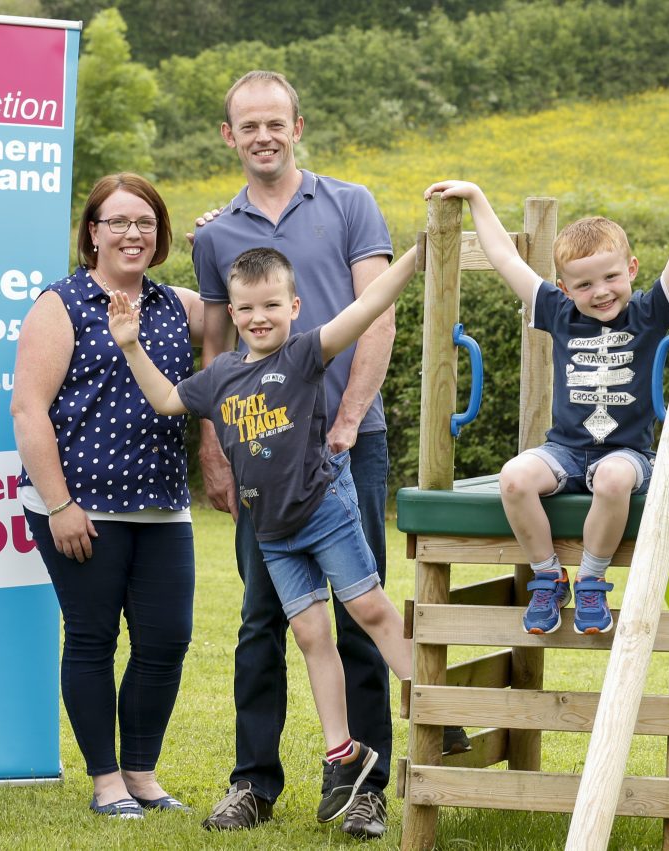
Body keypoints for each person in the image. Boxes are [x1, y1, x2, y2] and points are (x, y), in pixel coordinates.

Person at [191, 69, 468, 840]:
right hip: (259, 459)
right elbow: (215, 348)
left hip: (351, 442)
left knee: (358, 610)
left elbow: (373, 316)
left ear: (298, 125)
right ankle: (253, 782)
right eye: (248, 125)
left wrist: (346, 422)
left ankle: (365, 784)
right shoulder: (215, 235)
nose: (263, 135)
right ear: (230, 136)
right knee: (261, 621)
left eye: (275, 121)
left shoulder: (350, 203)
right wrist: (215, 453)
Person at [108, 245, 418, 828]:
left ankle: (432, 704)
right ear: (234, 311)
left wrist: (418, 254)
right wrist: (130, 344)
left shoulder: (304, 355)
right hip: (272, 532)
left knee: (370, 610)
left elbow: (370, 303)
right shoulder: (222, 375)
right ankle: (342, 752)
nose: (258, 317)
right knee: (309, 634)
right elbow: (167, 399)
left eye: (271, 305)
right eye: (246, 308)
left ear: (293, 306)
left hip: (323, 510)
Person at [424, 140, 669, 637]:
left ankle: (592, 580)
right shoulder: (560, 314)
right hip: (566, 451)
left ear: (631, 270)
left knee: (612, 480)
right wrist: (477, 196)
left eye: (611, 277)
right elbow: (506, 259)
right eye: (585, 285)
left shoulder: (650, 312)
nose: (601, 292)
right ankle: (549, 577)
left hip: (627, 455)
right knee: (514, 477)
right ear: (566, 289)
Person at [11, 173, 203, 819]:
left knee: (167, 639)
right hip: (81, 506)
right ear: (92, 231)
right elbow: (28, 409)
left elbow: (256, 308)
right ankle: (106, 781)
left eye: (145, 222)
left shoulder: (178, 304)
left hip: (164, 505)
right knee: (93, 639)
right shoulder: (61, 304)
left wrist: (222, 241)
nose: (132, 233)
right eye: (118, 221)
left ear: (160, 234)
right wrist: (60, 503)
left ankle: (143, 773)